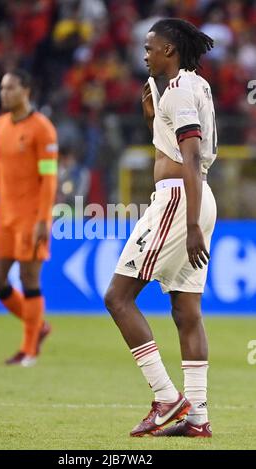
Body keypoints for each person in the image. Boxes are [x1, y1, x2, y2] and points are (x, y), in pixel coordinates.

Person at [105, 18, 217, 438]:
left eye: (150, 47)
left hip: (178, 199)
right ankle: (198, 417)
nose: (145, 54)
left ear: (169, 50)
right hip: (198, 198)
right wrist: (155, 119)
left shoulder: (181, 90)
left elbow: (189, 156)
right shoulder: (188, 85)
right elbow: (178, 141)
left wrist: (189, 225)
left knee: (118, 297)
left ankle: (167, 397)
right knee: (186, 312)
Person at [0, 69, 58, 367]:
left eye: (10, 88)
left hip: (31, 217)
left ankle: (29, 349)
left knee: (28, 279)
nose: (3, 93)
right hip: (4, 218)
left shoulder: (42, 129)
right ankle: (39, 326)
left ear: (26, 90)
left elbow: (49, 179)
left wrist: (43, 220)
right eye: (1, 88)